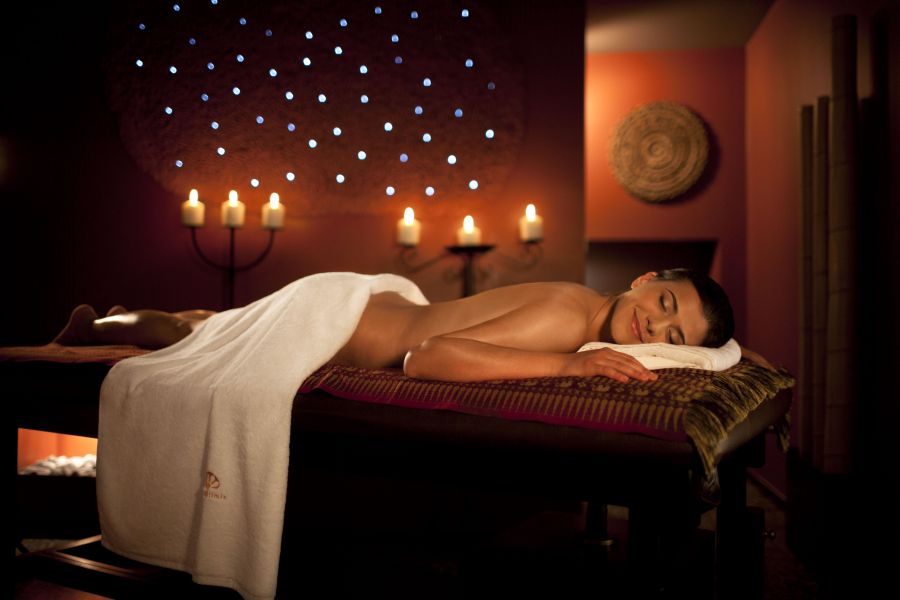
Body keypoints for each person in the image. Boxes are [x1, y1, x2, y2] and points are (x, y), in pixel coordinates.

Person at [53, 268, 749, 383]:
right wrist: (570, 365)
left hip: (351, 305)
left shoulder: (581, 300)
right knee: (194, 334)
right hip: (335, 321)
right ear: (646, 281)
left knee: (211, 321)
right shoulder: (569, 317)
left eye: (674, 337)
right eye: (666, 302)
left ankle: (101, 322)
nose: (654, 325)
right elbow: (428, 358)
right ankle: (93, 330)